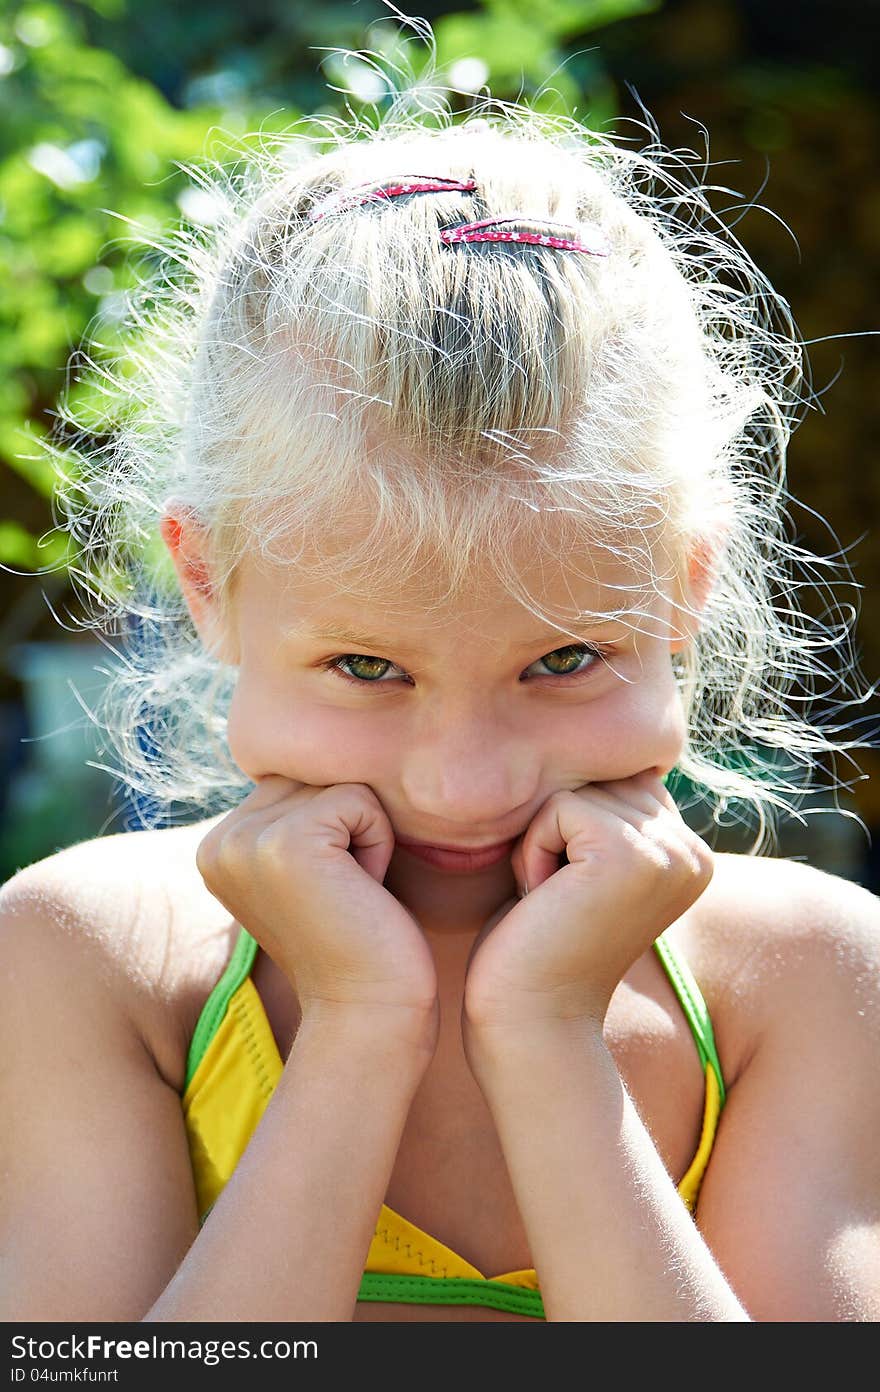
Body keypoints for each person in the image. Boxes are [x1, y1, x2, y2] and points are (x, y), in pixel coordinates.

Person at [2, 42, 879, 1323]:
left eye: (564, 659)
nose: (463, 783)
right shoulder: (93, 959)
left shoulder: (800, 979)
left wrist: (549, 1043)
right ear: (207, 585)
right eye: (366, 666)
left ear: (684, 585)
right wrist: (357, 1035)